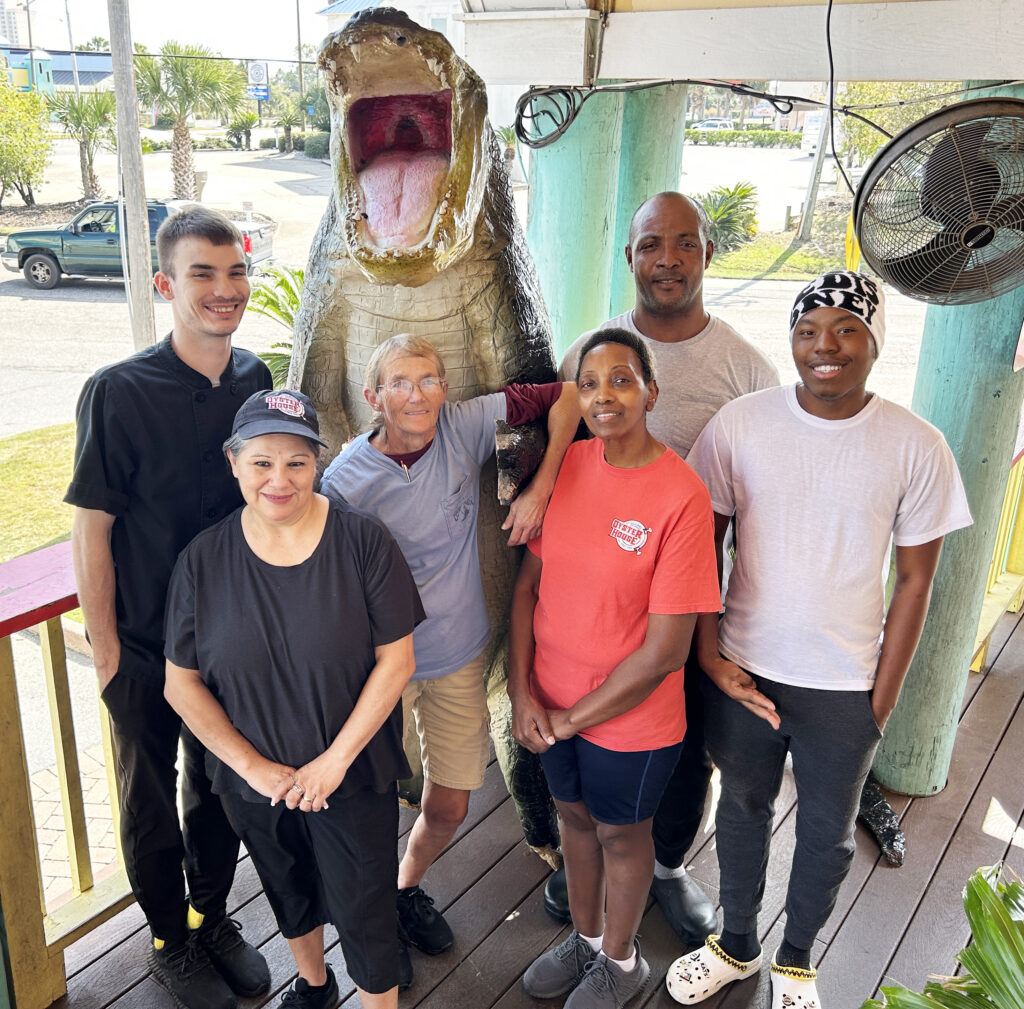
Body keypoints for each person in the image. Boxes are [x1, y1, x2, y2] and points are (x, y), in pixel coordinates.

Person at [665, 272, 972, 1009]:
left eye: (845, 330)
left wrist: (881, 699)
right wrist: (710, 654)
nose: (824, 347)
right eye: (808, 331)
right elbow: (703, 547)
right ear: (793, 339)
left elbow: (915, 583)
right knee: (739, 810)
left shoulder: (915, 444)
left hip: (846, 686)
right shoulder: (742, 423)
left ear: (874, 341)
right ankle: (737, 945)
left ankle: (797, 960)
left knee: (828, 836)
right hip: (744, 670)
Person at [552, 191, 779, 943]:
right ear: (632, 258)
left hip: (686, 600)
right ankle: (583, 854)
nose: (668, 259)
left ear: (708, 254)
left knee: (679, 750)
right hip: (594, 591)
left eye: (685, 244)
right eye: (652, 244)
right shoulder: (593, 347)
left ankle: (669, 863)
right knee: (579, 741)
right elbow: (557, 441)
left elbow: (761, 499)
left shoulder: (745, 367)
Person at [319, 333, 579, 984]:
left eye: (430, 378)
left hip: (457, 653)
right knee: (366, 804)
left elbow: (570, 395)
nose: (418, 394)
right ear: (374, 397)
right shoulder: (346, 481)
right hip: (380, 667)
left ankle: (405, 887)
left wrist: (541, 486)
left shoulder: (465, 421)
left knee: (453, 803)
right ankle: (372, 923)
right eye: (401, 382)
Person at [65, 205, 272, 1009]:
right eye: (202, 274)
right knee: (150, 802)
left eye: (235, 271)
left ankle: (211, 914)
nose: (225, 290)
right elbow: (92, 528)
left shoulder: (256, 379)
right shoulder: (117, 391)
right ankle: (166, 938)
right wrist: (108, 649)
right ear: (165, 284)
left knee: (219, 790)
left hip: (228, 645)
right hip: (146, 646)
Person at [164, 389, 424, 1009]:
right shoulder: (203, 561)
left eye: (296, 463)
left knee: (366, 909)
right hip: (256, 784)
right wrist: (254, 769)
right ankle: (313, 986)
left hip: (352, 774)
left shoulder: (364, 543)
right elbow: (183, 682)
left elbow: (397, 661)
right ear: (233, 461)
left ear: (317, 465)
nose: (278, 479)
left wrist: (332, 762)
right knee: (287, 889)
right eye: (261, 462)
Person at [509, 329, 722, 1008]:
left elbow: (665, 651)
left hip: (629, 721)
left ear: (651, 391)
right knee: (572, 822)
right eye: (591, 382)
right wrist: (522, 694)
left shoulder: (680, 495)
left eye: (622, 379)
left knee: (621, 838)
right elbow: (525, 590)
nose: (605, 395)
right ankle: (587, 937)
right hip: (549, 706)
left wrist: (568, 719)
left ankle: (623, 960)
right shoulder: (564, 467)